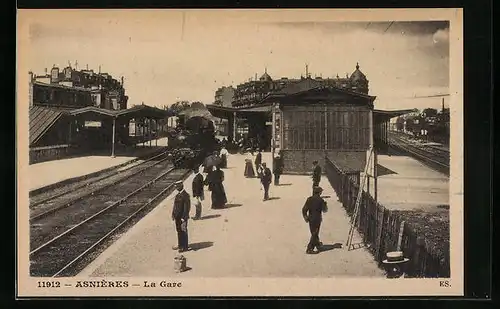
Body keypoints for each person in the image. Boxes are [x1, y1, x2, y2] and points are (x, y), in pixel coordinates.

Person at [302, 186, 328, 254]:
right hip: (317, 219)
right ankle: (309, 248)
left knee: (313, 232)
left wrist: (305, 216)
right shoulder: (320, 200)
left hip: (310, 218)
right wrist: (325, 204)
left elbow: (304, 209)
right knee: (315, 233)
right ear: (319, 192)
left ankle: (317, 244)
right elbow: (325, 210)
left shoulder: (309, 199)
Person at [171, 181, 191, 253]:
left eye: (177, 186)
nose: (176, 188)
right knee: (179, 231)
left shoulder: (185, 195)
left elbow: (187, 208)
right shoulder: (178, 195)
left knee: (183, 231)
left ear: (181, 186)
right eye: (176, 187)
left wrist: (184, 217)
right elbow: (175, 206)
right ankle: (180, 245)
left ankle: (185, 246)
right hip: (177, 217)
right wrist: (173, 214)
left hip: (182, 218)